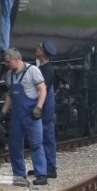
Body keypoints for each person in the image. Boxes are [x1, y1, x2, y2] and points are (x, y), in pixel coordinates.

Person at [0, 48, 48, 186]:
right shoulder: (10, 74)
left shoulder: (33, 71)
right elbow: (10, 94)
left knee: (36, 144)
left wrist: (39, 107)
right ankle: (19, 174)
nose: (6, 64)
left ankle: (41, 174)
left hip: (31, 114)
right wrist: (3, 111)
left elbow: (43, 89)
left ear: (17, 59)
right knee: (15, 146)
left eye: (8, 62)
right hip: (17, 115)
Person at [33, 39, 59, 179]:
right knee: (41, 137)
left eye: (38, 47)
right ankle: (44, 167)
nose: (36, 49)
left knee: (46, 137)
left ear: (42, 52)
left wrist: (38, 106)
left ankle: (50, 167)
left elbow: (43, 89)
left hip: (45, 107)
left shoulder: (47, 71)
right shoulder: (43, 69)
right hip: (45, 106)